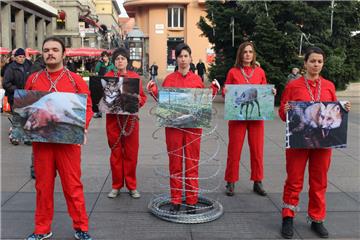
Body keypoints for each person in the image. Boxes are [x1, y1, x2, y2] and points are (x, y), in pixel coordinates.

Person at [25, 36, 94, 240]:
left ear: (64, 54)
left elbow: (88, 106)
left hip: (68, 142)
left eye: (55, 50)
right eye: (46, 50)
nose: (50, 53)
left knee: (73, 186)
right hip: (42, 143)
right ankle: (42, 229)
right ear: (42, 53)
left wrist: (84, 125)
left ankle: (81, 227)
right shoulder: (34, 79)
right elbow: (25, 105)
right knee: (43, 187)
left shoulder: (75, 79)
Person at [279, 46, 351, 239]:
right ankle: (288, 216)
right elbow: (282, 114)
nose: (316, 65)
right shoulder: (293, 86)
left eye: (319, 61)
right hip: (299, 141)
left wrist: (344, 108)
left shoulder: (329, 86)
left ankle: (317, 218)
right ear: (305, 63)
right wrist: (285, 110)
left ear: (323, 63)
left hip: (323, 143)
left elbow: (335, 110)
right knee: (294, 180)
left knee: (319, 181)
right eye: (312, 61)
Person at [147, 43, 220, 214]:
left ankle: (192, 201)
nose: (183, 59)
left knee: (192, 163)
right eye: (180, 56)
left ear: (191, 58)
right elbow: (163, 103)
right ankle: (176, 200)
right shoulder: (169, 79)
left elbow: (203, 103)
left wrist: (214, 90)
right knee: (175, 163)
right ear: (176, 58)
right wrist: (153, 91)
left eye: (186, 56)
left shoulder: (197, 80)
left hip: (193, 129)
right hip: (174, 127)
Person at [223, 41, 276, 197]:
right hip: (237, 118)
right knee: (234, 149)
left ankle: (257, 181)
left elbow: (264, 91)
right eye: (245, 52)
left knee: (257, 149)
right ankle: (231, 181)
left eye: (250, 52)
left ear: (253, 55)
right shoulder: (233, 72)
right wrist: (225, 91)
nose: (247, 54)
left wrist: (271, 92)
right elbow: (228, 93)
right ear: (240, 54)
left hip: (256, 119)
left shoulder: (260, 72)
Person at [105, 47, 147, 199]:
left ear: (127, 61)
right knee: (115, 153)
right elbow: (103, 98)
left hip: (130, 121)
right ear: (114, 62)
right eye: (117, 59)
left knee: (131, 153)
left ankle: (131, 185)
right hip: (113, 121)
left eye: (122, 58)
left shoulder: (135, 77)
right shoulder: (108, 76)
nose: (120, 61)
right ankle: (116, 185)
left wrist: (138, 101)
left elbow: (142, 97)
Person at [3, 48, 32, 145]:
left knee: (27, 118)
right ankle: (15, 137)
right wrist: (16, 90)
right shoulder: (10, 68)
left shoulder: (29, 65)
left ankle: (27, 138)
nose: (22, 59)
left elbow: (34, 77)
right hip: (15, 96)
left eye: (23, 57)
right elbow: (6, 83)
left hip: (27, 96)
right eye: (20, 57)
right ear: (15, 58)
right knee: (17, 118)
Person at [93, 51, 115, 118]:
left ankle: (112, 112)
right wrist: (99, 64)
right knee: (99, 97)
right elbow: (96, 71)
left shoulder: (111, 64)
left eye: (106, 56)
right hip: (101, 81)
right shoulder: (100, 63)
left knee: (110, 97)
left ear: (108, 57)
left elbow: (115, 71)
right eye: (103, 56)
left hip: (109, 82)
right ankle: (99, 113)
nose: (105, 58)